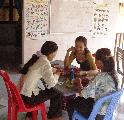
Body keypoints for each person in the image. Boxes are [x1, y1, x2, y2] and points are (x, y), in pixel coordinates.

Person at [67, 48, 119, 120]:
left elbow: (82, 94)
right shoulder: (115, 74)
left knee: (71, 103)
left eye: (96, 59)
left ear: (100, 62)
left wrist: (79, 83)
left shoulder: (100, 77)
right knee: (82, 99)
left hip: (97, 114)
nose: (95, 61)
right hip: (109, 110)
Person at [17, 41, 63, 120]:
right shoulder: (45, 62)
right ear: (51, 53)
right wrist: (57, 74)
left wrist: (53, 70)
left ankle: (29, 115)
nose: (55, 55)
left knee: (43, 88)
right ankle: (54, 117)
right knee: (58, 91)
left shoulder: (38, 57)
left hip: (21, 93)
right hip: (29, 98)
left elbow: (41, 68)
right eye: (55, 53)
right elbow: (52, 83)